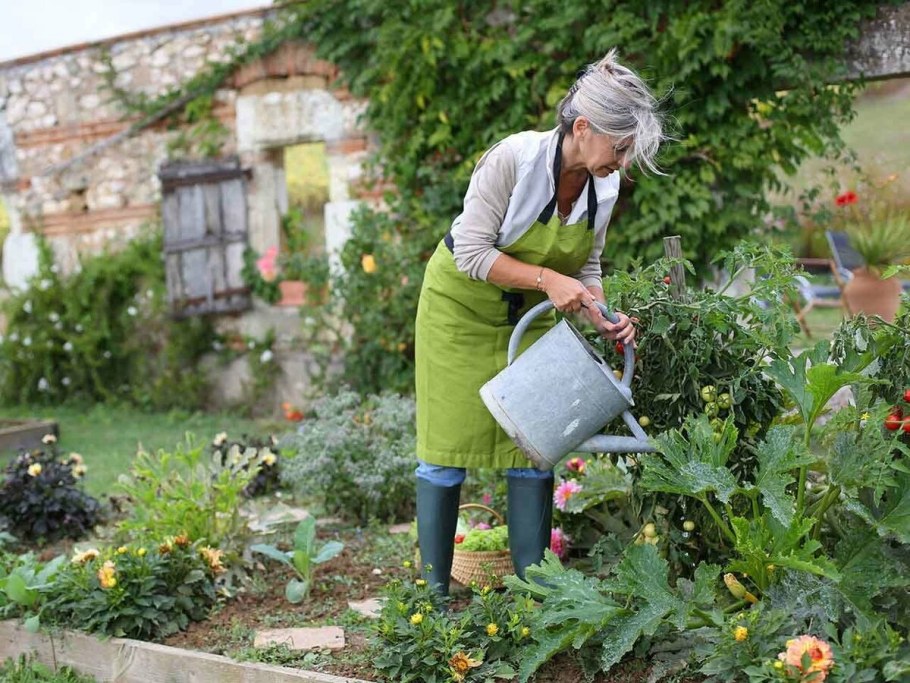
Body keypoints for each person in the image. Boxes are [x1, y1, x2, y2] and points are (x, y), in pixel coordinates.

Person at [414, 48, 665, 595]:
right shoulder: (512, 161)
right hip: (459, 314)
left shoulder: (605, 184)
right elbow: (472, 253)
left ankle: (533, 595)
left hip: (530, 319)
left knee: (535, 445)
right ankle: (432, 601)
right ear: (583, 127)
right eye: (619, 148)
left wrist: (602, 313)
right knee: (445, 454)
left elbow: (588, 263)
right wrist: (549, 281)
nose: (622, 163)